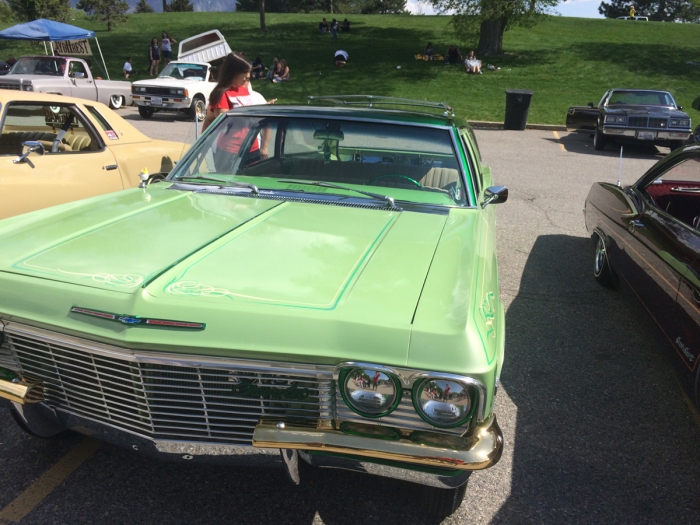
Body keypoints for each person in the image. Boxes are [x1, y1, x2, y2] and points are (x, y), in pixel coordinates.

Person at [201, 53, 271, 171]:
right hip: (228, 151)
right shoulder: (222, 94)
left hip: (252, 148)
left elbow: (261, 121)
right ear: (233, 72)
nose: (247, 77)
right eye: (244, 73)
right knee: (229, 186)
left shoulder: (245, 91)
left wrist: (262, 110)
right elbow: (224, 121)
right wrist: (202, 144)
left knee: (252, 185)